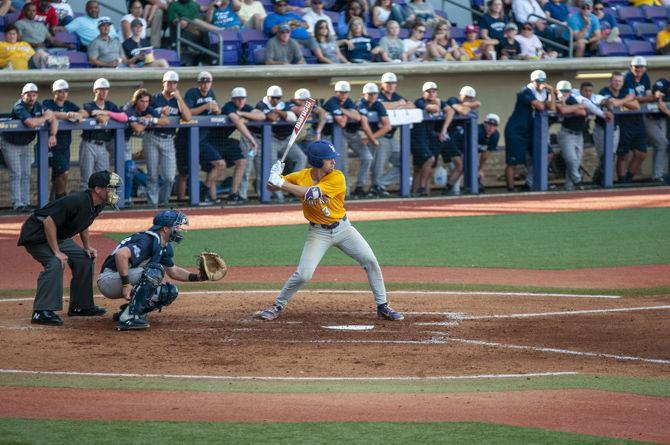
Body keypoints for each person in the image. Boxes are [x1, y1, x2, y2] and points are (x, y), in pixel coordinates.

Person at [255, 140, 404, 322]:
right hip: (318, 233)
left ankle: (383, 306)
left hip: (344, 229)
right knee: (304, 274)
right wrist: (273, 177)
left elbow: (311, 193)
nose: (333, 162)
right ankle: (277, 305)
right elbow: (271, 187)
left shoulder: (337, 177)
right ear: (318, 162)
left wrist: (281, 182)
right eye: (329, 159)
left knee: (370, 261)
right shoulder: (301, 176)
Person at [17, 170, 118, 326]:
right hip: (37, 235)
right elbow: (48, 222)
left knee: (85, 258)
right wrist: (57, 252)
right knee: (55, 262)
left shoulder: (98, 204)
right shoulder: (76, 201)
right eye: (111, 188)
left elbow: (84, 222)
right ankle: (41, 312)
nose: (114, 192)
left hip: (57, 235)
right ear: (98, 189)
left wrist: (86, 246)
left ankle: (81, 306)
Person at [97, 210, 206, 330]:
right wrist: (126, 284)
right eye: (177, 226)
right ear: (165, 228)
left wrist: (198, 277)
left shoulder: (162, 244)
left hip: (120, 278)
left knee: (168, 292)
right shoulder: (147, 240)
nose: (179, 230)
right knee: (154, 272)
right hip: (109, 280)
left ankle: (129, 311)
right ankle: (129, 317)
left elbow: (173, 271)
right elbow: (121, 255)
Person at [1, 83, 57, 212]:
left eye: (34, 95)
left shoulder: (38, 105)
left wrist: (52, 135)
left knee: (26, 173)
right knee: (16, 173)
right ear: (22, 96)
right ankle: (18, 205)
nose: (31, 98)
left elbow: (53, 118)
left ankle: (25, 203)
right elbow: (31, 123)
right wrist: (45, 117)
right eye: (28, 95)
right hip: (10, 143)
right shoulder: (19, 106)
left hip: (25, 144)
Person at [249, 85, 306, 200]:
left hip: (286, 140)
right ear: (268, 96)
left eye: (278, 98)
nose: (276, 100)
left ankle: (294, 190)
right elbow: (271, 117)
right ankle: (274, 196)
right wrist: (283, 113)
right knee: (272, 168)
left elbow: (295, 116)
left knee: (301, 158)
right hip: (270, 139)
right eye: (273, 97)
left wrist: (278, 111)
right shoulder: (261, 104)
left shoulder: (284, 104)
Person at [177, 70, 226, 205]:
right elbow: (187, 112)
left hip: (202, 139)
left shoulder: (211, 93)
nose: (205, 85)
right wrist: (205, 106)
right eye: (203, 82)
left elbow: (218, 110)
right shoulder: (192, 93)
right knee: (184, 173)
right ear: (198, 83)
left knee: (219, 164)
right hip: (186, 139)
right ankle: (180, 202)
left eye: (208, 81)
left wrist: (217, 111)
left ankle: (203, 194)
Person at [504, 69, 555, 192]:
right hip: (517, 131)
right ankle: (511, 189)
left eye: (543, 81)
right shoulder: (525, 91)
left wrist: (552, 91)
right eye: (538, 81)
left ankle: (529, 183)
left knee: (547, 154)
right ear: (532, 81)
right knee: (513, 162)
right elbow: (541, 106)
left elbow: (552, 107)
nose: (541, 84)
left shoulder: (544, 92)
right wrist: (546, 96)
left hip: (532, 131)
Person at [147, 70, 192, 207]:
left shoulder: (178, 100)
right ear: (163, 83)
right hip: (152, 137)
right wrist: (159, 112)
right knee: (153, 174)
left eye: (174, 82)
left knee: (169, 177)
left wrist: (178, 98)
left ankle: (163, 201)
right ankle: (152, 204)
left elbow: (188, 117)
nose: (172, 85)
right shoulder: (154, 98)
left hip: (169, 139)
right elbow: (146, 113)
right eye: (169, 82)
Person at [321, 80, 369, 196]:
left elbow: (357, 117)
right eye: (341, 92)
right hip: (325, 136)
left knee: (351, 161)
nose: (343, 95)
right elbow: (342, 123)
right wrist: (348, 113)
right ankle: (340, 192)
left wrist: (343, 110)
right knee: (337, 164)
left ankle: (349, 190)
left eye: (346, 92)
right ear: (336, 92)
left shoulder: (347, 101)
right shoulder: (332, 102)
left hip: (338, 135)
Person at [122, 88, 169, 207]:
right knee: (127, 168)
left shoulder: (147, 109)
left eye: (147, 101)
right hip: (112, 139)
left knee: (129, 167)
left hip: (125, 140)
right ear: (136, 101)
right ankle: (124, 198)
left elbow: (165, 121)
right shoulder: (129, 108)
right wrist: (147, 122)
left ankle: (126, 198)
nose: (144, 104)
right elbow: (137, 128)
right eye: (142, 101)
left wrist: (151, 118)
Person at [42, 79, 88, 201]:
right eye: (60, 91)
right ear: (54, 92)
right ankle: (61, 199)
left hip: (65, 145)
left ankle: (54, 201)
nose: (63, 93)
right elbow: (50, 113)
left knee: (59, 174)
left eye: (66, 91)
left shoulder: (69, 105)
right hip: (49, 144)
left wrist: (77, 115)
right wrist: (68, 115)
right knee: (63, 173)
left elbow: (84, 113)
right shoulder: (47, 102)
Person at [79, 78, 127, 191]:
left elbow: (124, 117)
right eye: (101, 89)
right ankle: (84, 205)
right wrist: (104, 116)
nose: (104, 92)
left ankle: (99, 206)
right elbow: (100, 119)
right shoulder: (89, 105)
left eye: (106, 89)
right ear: (95, 91)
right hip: (88, 144)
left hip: (103, 146)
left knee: (103, 179)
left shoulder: (110, 106)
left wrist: (108, 114)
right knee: (86, 178)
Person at [223, 87, 265, 203]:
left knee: (244, 164)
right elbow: (236, 120)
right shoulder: (228, 106)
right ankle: (239, 195)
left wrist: (242, 113)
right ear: (233, 99)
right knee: (219, 166)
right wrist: (251, 138)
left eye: (242, 99)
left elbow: (261, 116)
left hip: (225, 140)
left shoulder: (244, 108)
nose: (240, 101)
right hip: (214, 139)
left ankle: (239, 195)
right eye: (237, 99)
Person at [375, 72, 414, 195]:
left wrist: (401, 104)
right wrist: (398, 104)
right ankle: (375, 187)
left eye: (393, 83)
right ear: (382, 85)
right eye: (388, 83)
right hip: (378, 136)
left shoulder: (397, 96)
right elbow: (380, 105)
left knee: (403, 162)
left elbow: (411, 105)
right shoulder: (377, 95)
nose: (391, 85)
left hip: (392, 137)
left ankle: (381, 184)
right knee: (379, 165)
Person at [437, 86, 481, 195]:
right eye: (465, 97)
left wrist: (469, 105)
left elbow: (475, 105)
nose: (467, 100)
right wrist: (471, 105)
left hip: (454, 143)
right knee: (458, 166)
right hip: (442, 137)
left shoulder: (468, 104)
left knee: (459, 167)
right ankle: (449, 190)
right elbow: (463, 111)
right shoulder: (453, 100)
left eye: (470, 98)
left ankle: (451, 190)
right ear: (460, 95)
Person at [591, 75, 631, 185]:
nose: (617, 83)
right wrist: (627, 99)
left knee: (611, 157)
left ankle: (601, 182)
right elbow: (611, 104)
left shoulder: (623, 91)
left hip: (615, 128)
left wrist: (621, 101)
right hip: (601, 128)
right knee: (604, 157)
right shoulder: (604, 91)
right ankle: (598, 181)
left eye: (620, 81)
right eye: (615, 81)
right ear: (611, 82)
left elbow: (636, 105)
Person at [354, 82, 391, 197]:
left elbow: (387, 126)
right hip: (352, 134)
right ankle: (357, 188)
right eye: (370, 94)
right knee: (344, 161)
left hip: (367, 136)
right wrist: (373, 140)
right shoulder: (361, 103)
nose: (373, 96)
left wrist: (371, 138)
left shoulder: (378, 104)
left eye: (375, 94)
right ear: (364, 94)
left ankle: (372, 186)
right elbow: (364, 125)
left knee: (372, 159)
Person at [621, 56, 652, 183]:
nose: (639, 69)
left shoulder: (645, 77)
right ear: (631, 67)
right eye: (636, 67)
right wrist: (641, 98)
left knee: (641, 153)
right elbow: (629, 98)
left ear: (645, 67)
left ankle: (628, 179)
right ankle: (622, 181)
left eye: (641, 67)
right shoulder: (627, 77)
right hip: (624, 119)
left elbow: (648, 97)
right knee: (623, 154)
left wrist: (637, 98)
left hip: (638, 119)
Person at [555, 80, 588, 190]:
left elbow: (583, 112)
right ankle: (578, 180)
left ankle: (570, 188)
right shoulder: (554, 99)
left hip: (579, 135)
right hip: (566, 134)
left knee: (575, 163)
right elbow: (563, 110)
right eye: (562, 91)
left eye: (567, 91)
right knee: (571, 160)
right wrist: (577, 107)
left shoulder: (574, 98)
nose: (565, 93)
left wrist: (574, 107)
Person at [410, 81, 440, 197]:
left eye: (434, 91)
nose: (431, 94)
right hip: (416, 138)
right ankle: (422, 187)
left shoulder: (438, 102)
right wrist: (437, 103)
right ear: (423, 93)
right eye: (429, 91)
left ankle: (415, 194)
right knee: (429, 160)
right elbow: (433, 109)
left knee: (418, 167)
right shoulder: (419, 102)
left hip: (427, 138)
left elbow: (449, 110)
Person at [651, 75, 670, 183]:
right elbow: (656, 90)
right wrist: (658, 94)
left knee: (661, 145)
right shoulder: (663, 82)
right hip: (652, 118)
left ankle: (657, 175)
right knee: (662, 144)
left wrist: (666, 111)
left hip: (663, 119)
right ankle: (658, 176)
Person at [476, 113, 500, 192]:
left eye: (494, 126)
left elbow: (486, 153)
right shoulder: (477, 131)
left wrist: (480, 169)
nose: (491, 128)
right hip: (459, 151)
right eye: (489, 124)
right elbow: (466, 150)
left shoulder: (495, 135)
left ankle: (476, 185)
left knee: (478, 171)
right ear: (484, 123)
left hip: (474, 153)